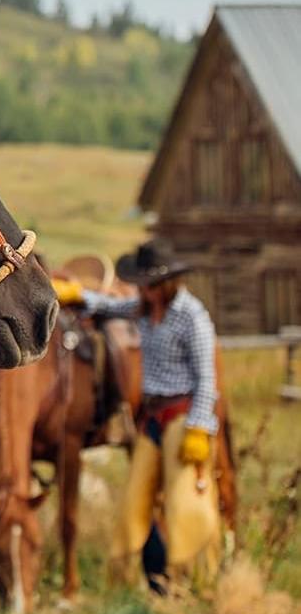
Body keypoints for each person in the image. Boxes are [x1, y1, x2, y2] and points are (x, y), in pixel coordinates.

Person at [53, 238, 223, 586]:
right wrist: (76, 295)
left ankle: (195, 581)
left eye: (149, 287)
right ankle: (132, 578)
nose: (144, 293)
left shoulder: (192, 317)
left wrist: (199, 428)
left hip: (183, 415)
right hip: (152, 418)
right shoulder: (143, 310)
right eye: (142, 287)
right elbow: (109, 306)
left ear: (166, 284)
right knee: (135, 498)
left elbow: (207, 376)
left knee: (184, 501)